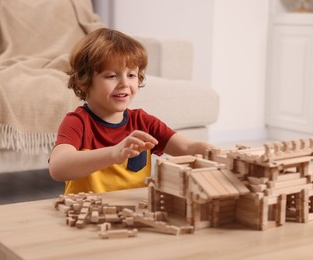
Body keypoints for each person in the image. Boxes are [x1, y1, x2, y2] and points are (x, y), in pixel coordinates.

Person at [49, 28, 213, 194]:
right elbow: (58, 168)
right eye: (112, 76)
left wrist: (220, 154)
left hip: (134, 213)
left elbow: (187, 148)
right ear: (85, 80)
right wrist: (113, 153)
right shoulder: (77, 122)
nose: (124, 84)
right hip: (90, 215)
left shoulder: (144, 122)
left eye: (131, 75)